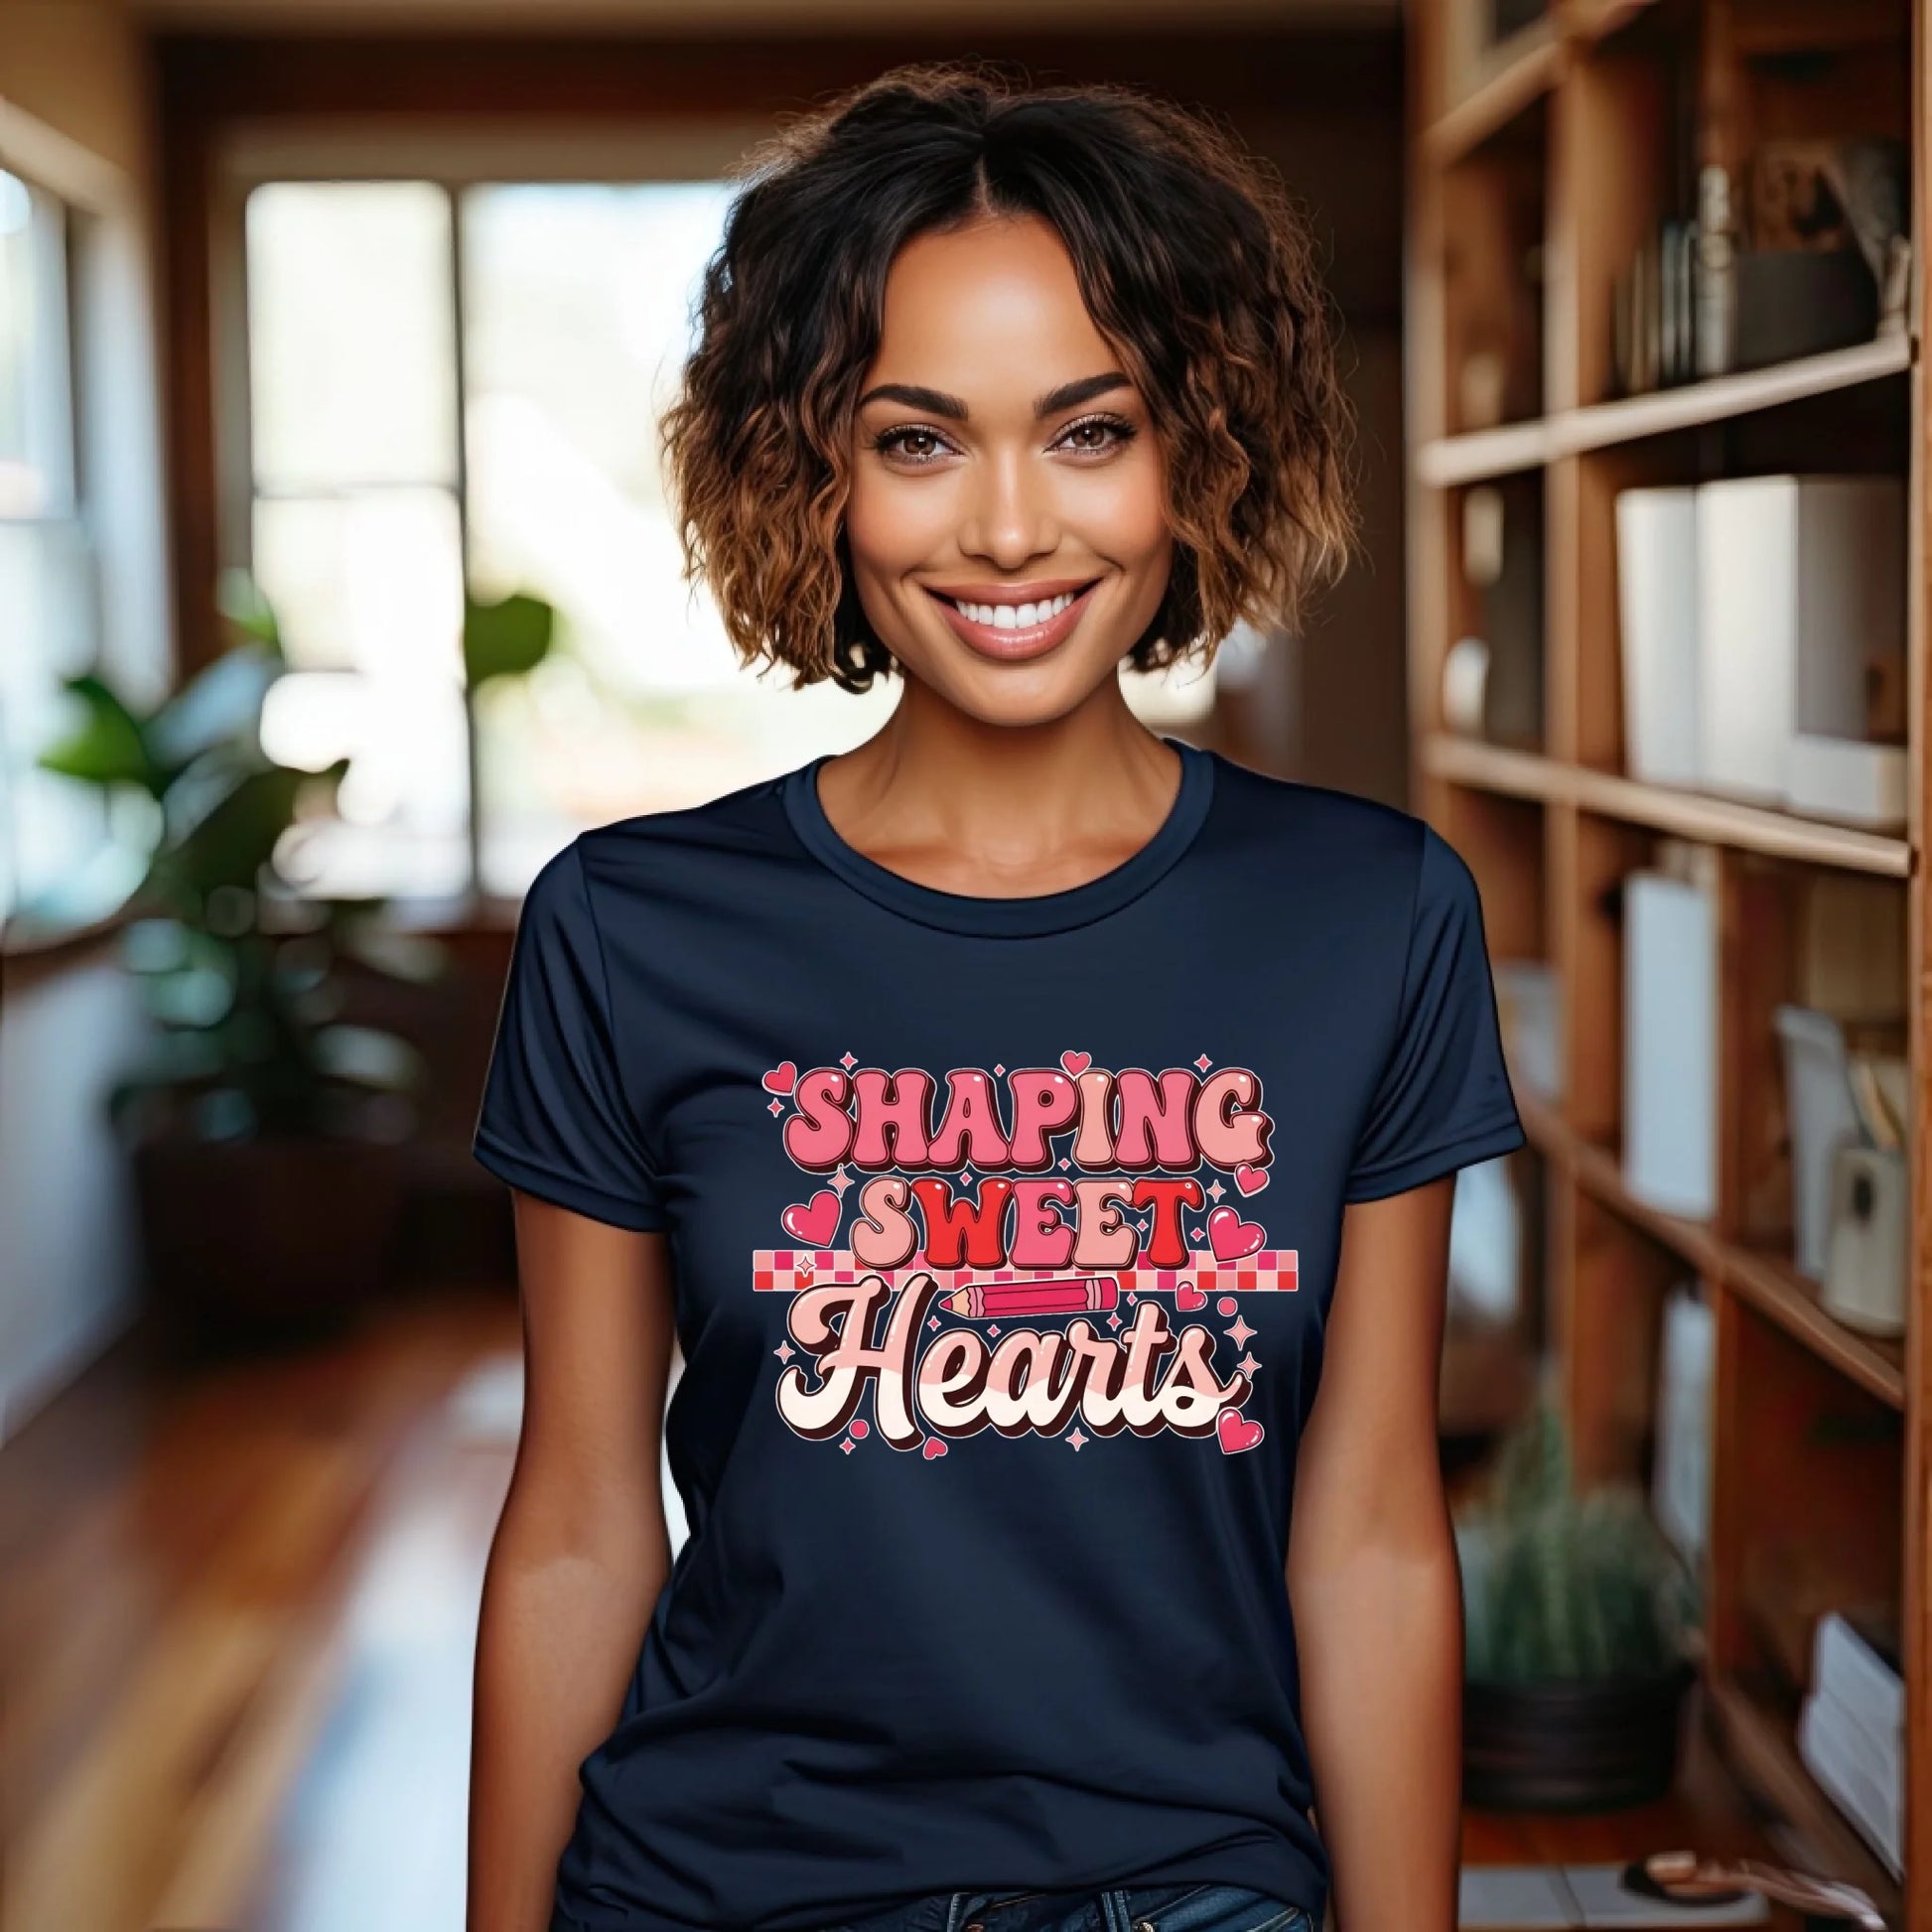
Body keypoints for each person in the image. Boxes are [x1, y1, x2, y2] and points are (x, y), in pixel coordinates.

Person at [468, 60, 1526, 1932]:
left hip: (1188, 1887)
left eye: (1091, 431)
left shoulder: (1370, 917)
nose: (1014, 528)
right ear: (815, 473)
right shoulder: (629, 929)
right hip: (726, 1882)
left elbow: (1365, 1532)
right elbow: (574, 1522)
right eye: (920, 438)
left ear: (1199, 452)